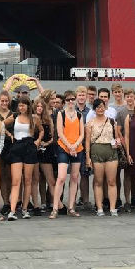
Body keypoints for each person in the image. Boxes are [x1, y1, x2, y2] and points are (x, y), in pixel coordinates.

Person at [5, 95, 43, 220]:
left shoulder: (34, 118)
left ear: (28, 106)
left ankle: (25, 209)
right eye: (19, 105)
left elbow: (41, 130)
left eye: (23, 105)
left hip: (29, 146)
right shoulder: (15, 116)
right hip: (17, 146)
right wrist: (9, 134)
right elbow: (1, 124)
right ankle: (12, 210)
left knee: (28, 180)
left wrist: (38, 140)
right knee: (16, 180)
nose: (21, 108)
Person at [85, 97, 122, 216]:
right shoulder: (90, 123)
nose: (100, 109)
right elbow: (87, 142)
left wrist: (118, 142)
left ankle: (112, 207)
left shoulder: (112, 121)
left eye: (102, 106)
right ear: (94, 109)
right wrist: (87, 157)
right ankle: (99, 207)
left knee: (112, 181)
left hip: (111, 151)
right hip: (96, 151)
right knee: (98, 181)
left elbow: (116, 137)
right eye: (97, 107)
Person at [52, 91, 83, 219]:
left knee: (75, 177)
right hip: (64, 147)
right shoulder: (61, 114)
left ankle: (71, 207)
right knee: (61, 177)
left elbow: (82, 134)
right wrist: (69, 146)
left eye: (72, 99)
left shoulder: (79, 115)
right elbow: (60, 133)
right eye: (68, 99)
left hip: (77, 148)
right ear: (65, 101)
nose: (71, 101)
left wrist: (75, 145)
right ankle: (55, 208)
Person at [33, 98, 56, 217]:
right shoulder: (31, 119)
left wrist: (45, 144)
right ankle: (40, 203)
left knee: (50, 179)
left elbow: (53, 137)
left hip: (46, 150)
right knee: (37, 179)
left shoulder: (48, 120)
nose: (39, 108)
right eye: (37, 106)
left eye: (41, 106)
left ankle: (55, 203)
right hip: (34, 151)